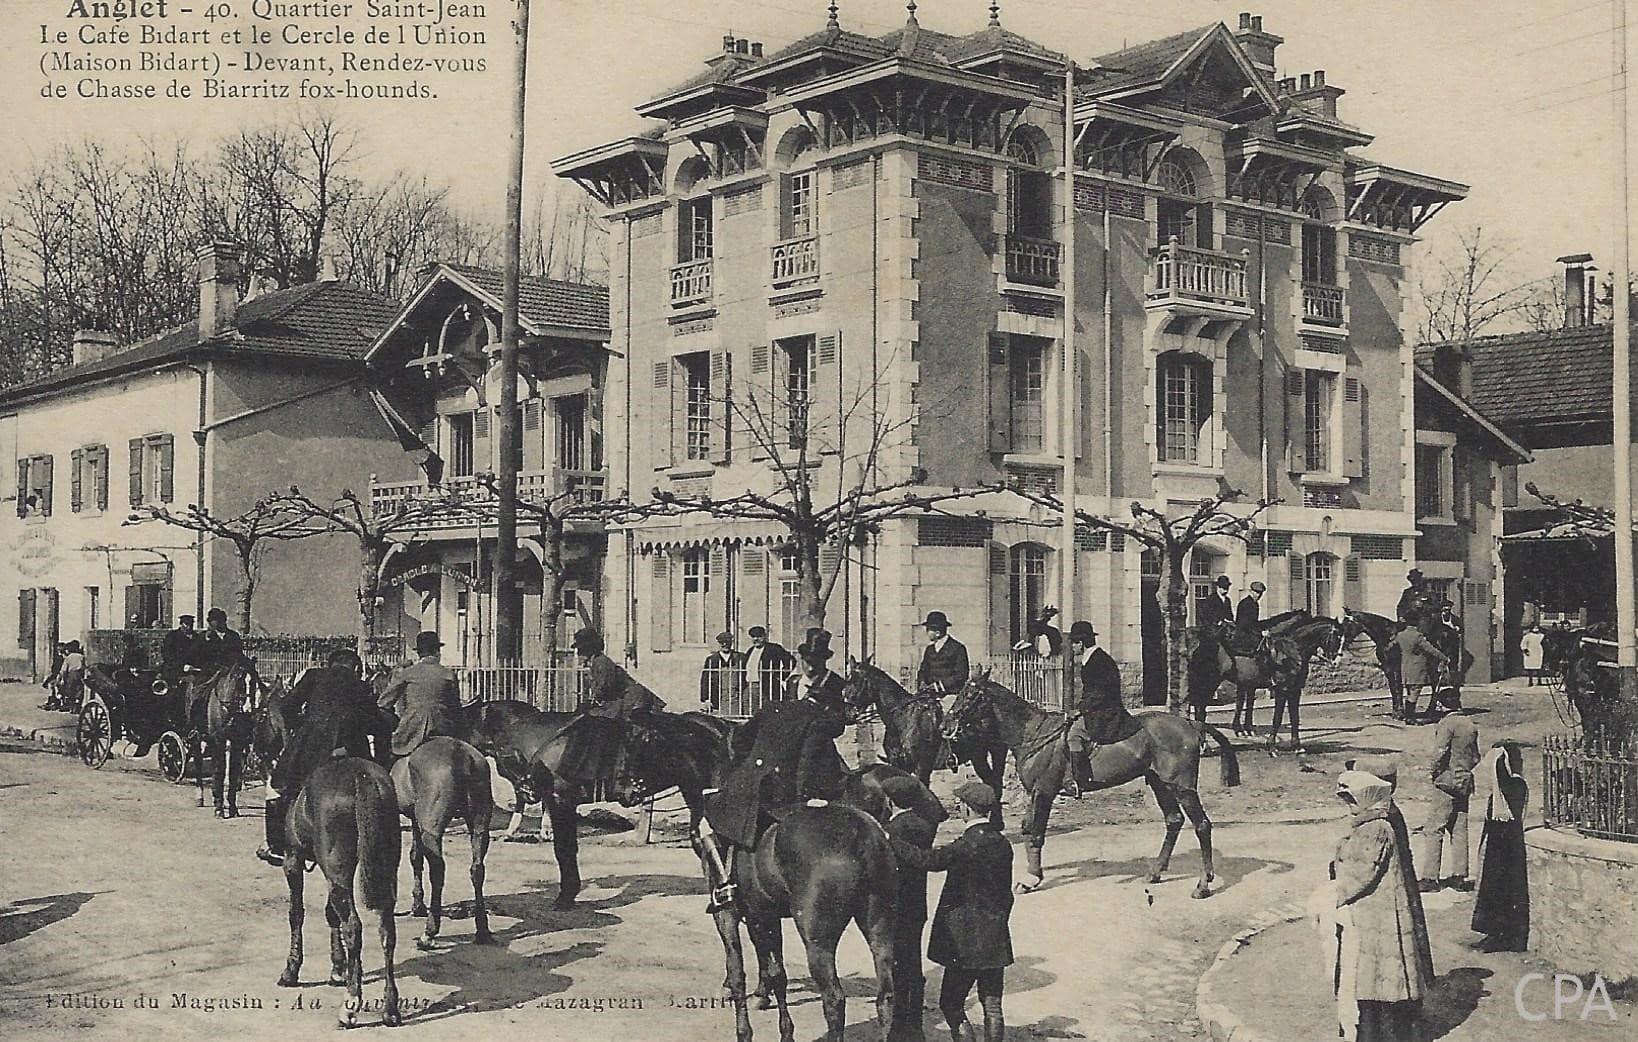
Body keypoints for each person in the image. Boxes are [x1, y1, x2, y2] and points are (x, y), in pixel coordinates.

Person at [698, 628, 847, 911]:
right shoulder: (792, 683)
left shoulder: (834, 684)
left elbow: (839, 724)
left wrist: (815, 719)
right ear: (801, 659)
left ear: (825, 661)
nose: (811, 666)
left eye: (816, 661)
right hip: (784, 754)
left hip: (816, 755)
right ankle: (728, 878)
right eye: (807, 660)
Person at [888, 782, 1014, 1042]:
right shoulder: (1003, 844)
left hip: (964, 942)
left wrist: (891, 840)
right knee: (993, 1006)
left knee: (951, 1004)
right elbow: (1007, 896)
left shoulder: (965, 845)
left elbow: (927, 860)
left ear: (967, 809)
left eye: (961, 804)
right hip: (995, 937)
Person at [1324, 769, 1432, 1042]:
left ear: (1368, 800)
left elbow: (1360, 874)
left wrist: (1330, 897)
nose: (1349, 806)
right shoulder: (1373, 826)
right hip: (1376, 913)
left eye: (1352, 800)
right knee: (1381, 985)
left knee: (1373, 984)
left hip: (1377, 917)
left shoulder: (1375, 830)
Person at [258, 648, 385, 867]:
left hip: (312, 748)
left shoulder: (313, 676)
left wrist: (303, 726)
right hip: (352, 749)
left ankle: (276, 847)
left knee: (276, 787)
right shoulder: (361, 686)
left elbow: (287, 708)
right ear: (356, 668)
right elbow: (375, 724)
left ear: (329, 664)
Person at [885, 796, 939, 1041]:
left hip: (896, 908)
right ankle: (916, 1025)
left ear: (890, 800)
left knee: (898, 968)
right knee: (913, 964)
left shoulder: (892, 829)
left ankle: (900, 1025)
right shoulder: (923, 823)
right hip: (917, 906)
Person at [1415, 705, 1480, 893]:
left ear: (1442, 705)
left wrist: (1434, 772)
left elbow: (1440, 751)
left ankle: (1430, 878)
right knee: (1459, 828)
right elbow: (1476, 757)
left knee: (1434, 829)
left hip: (1447, 781)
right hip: (1464, 781)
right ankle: (1459, 876)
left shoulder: (1447, 724)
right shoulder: (1469, 723)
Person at [1471, 740, 1529, 951]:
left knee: (1501, 889)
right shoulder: (1503, 792)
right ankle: (1494, 933)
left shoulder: (1513, 787)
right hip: (1499, 846)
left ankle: (1502, 936)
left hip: (1505, 848)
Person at [1063, 620, 1134, 794]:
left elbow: (1100, 693)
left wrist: (1080, 710)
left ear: (1081, 643)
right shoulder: (1093, 658)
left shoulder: (1099, 661)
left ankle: (1080, 781)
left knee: (1074, 735)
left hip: (1107, 711)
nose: (1072, 647)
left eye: (1073, 643)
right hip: (1098, 707)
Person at [378, 631, 463, 759]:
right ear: (437, 652)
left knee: (393, 757)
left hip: (412, 728)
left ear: (419, 653)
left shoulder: (407, 673)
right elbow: (455, 707)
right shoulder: (449, 674)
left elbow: (383, 703)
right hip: (443, 727)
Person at [1392, 611, 1449, 722]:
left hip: (1405, 669)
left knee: (1409, 693)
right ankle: (1410, 717)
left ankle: (1408, 716)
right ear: (1417, 622)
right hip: (1417, 670)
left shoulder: (1400, 635)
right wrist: (1444, 658)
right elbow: (1430, 649)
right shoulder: (1417, 636)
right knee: (1414, 693)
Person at [916, 611, 970, 699]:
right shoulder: (929, 649)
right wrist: (922, 683)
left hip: (950, 695)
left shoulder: (958, 648)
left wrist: (938, 686)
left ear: (937, 633)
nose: (926, 633)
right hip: (929, 695)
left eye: (928, 630)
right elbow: (923, 670)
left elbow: (961, 676)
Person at [743, 625, 794, 707]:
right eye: (753, 636)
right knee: (750, 710)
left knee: (768, 710)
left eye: (759, 636)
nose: (756, 639)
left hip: (767, 687)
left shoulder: (773, 648)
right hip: (751, 686)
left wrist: (781, 675)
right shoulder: (750, 650)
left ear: (764, 636)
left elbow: (790, 660)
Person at [699, 631, 744, 712]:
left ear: (731, 643)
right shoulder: (711, 659)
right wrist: (706, 699)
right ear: (718, 643)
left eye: (727, 642)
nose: (724, 644)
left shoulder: (740, 658)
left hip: (736, 697)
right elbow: (705, 680)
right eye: (722, 642)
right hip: (717, 697)